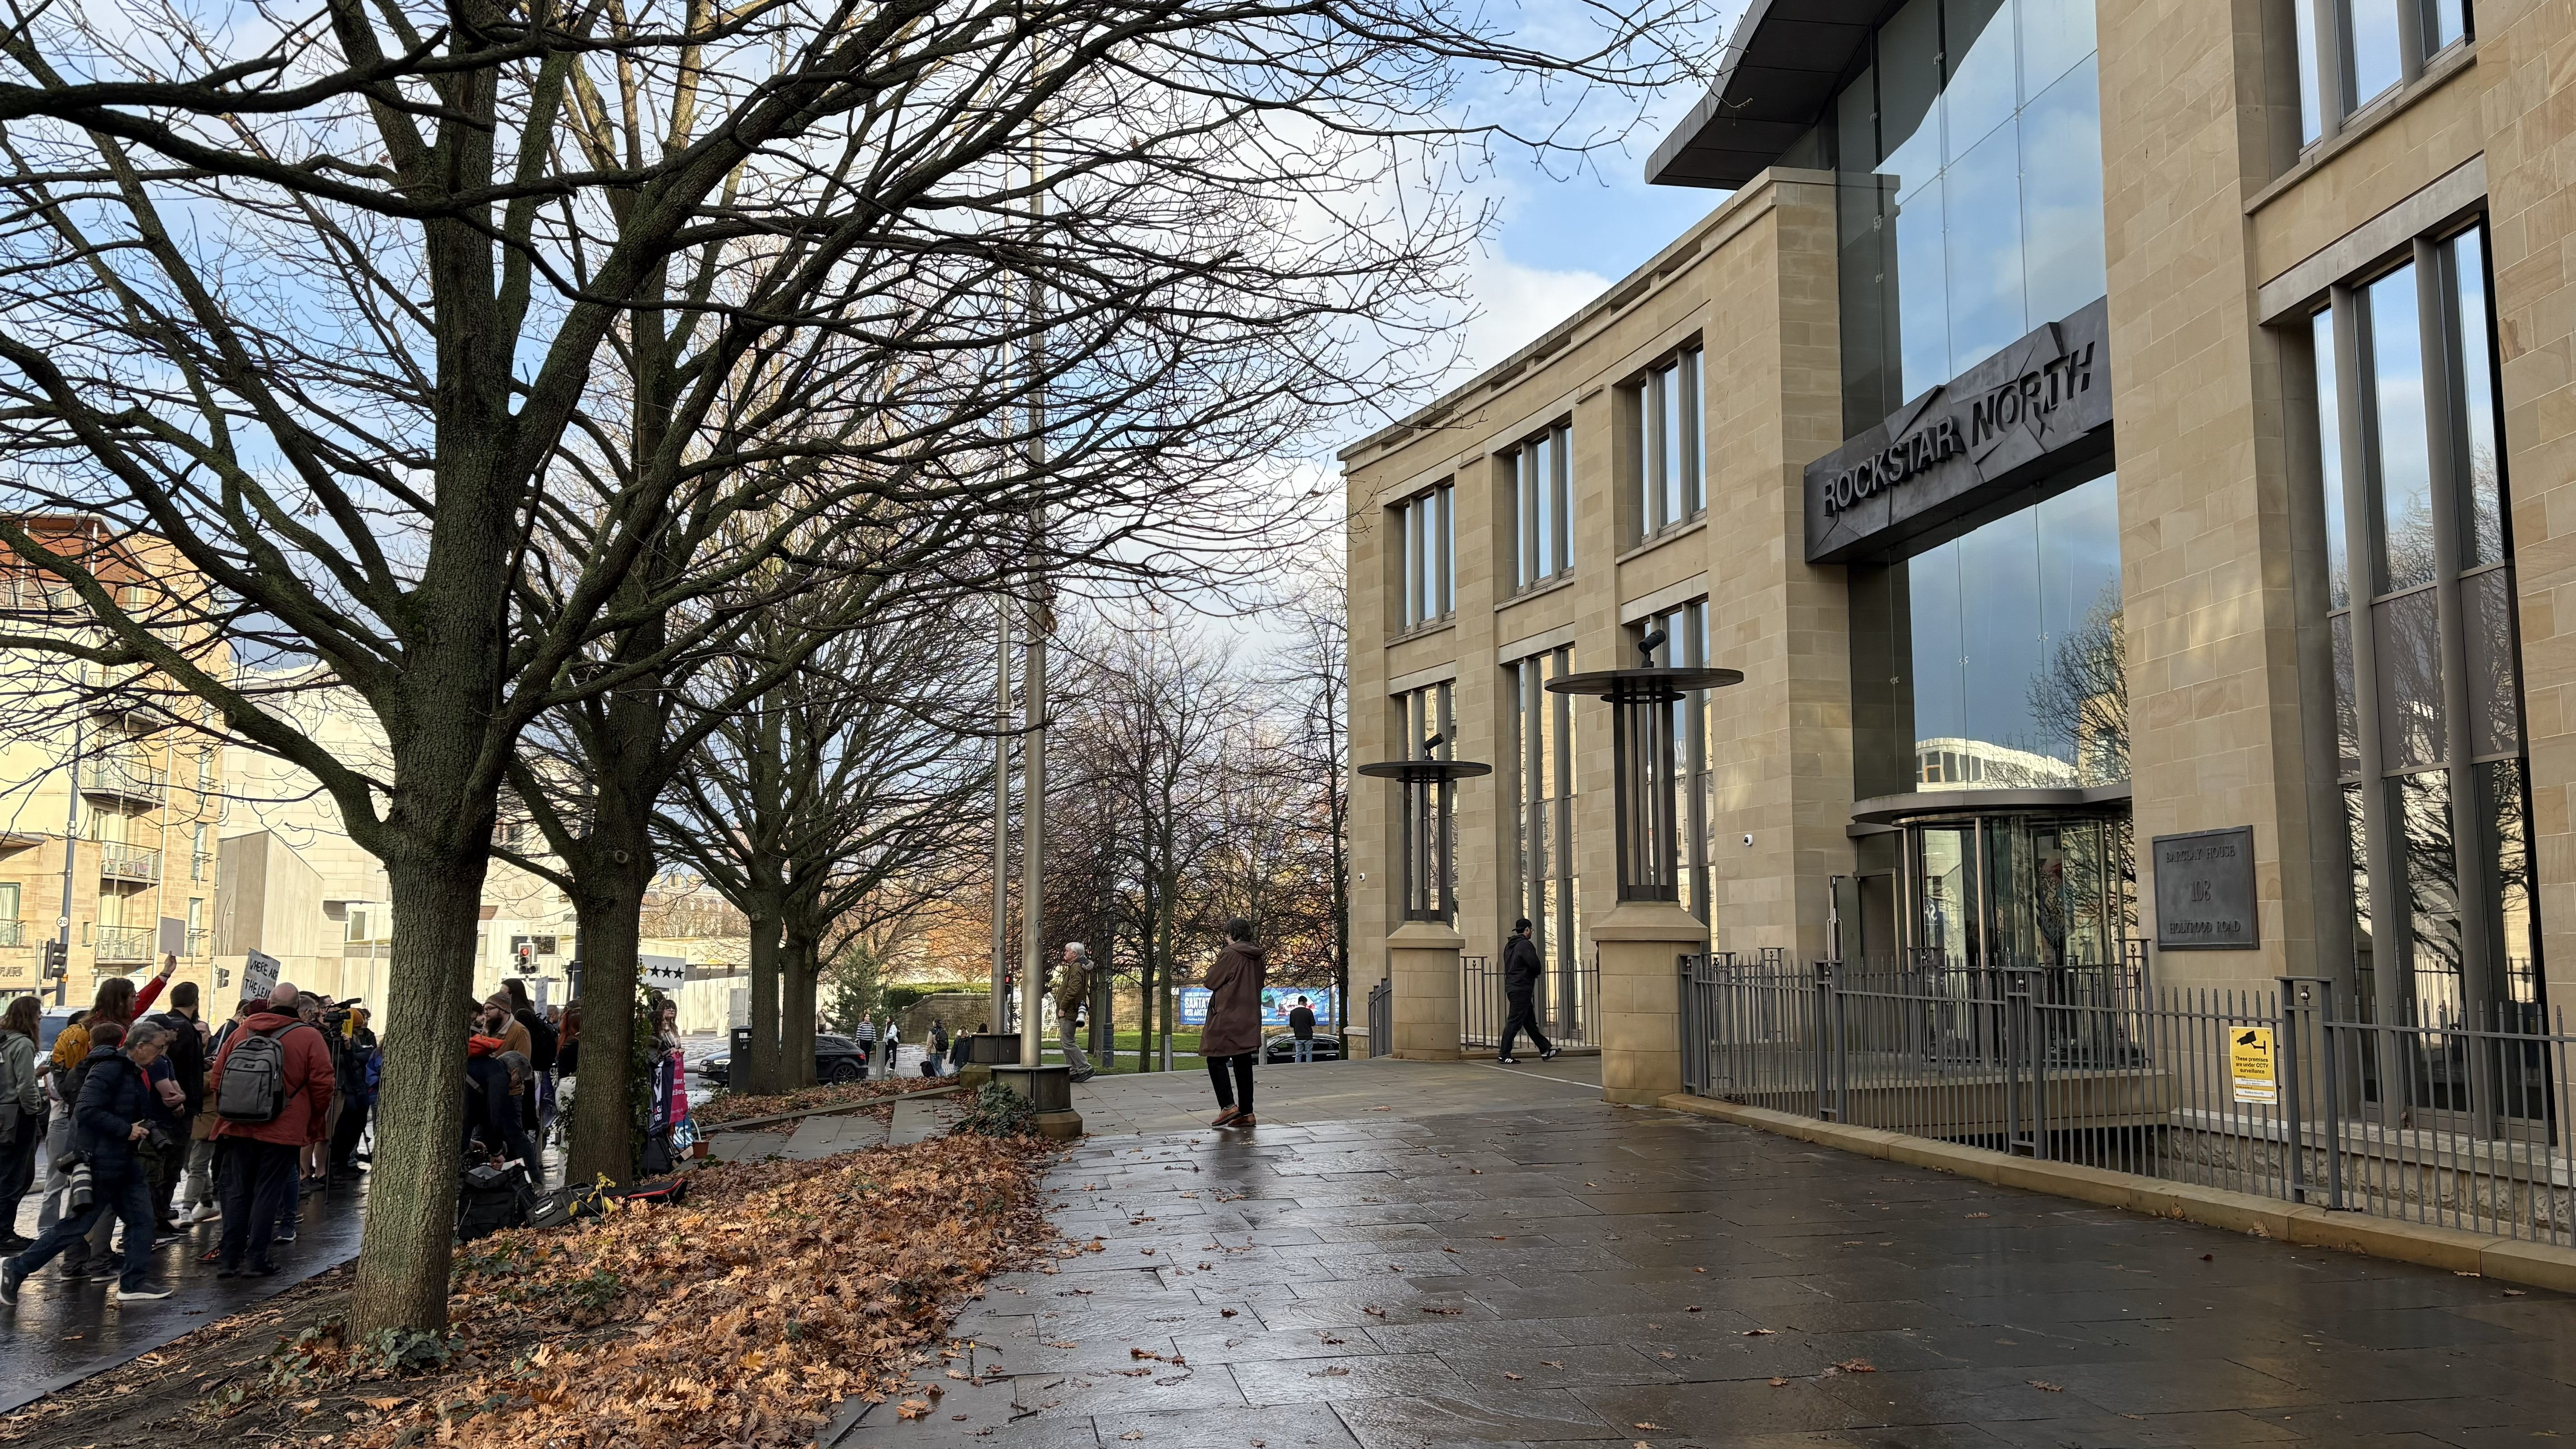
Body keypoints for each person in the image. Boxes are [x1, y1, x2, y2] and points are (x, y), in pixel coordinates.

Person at [0, 1019, 177, 1303]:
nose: (163, 1052)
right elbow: (86, 1110)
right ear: (141, 1046)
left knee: (142, 1221)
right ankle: (16, 1268)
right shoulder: (109, 1069)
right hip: (102, 1162)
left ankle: (133, 1283)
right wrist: (126, 1129)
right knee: (77, 1226)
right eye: (159, 1047)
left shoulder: (130, 1070)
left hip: (122, 1161)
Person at [206, 982, 333, 1279]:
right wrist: (313, 1120)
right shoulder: (309, 1036)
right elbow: (323, 1084)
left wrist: (231, 1108)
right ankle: (257, 1258)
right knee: (268, 1192)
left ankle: (229, 1257)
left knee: (237, 1192)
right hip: (282, 1127)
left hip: (237, 1125)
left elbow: (218, 1076)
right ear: (297, 1006)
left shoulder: (242, 1031)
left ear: (270, 1002)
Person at [147, 980, 208, 1229]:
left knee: (168, 1165)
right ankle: (159, 1218)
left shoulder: (169, 1025)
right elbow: (173, 1069)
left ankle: (159, 1215)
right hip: (176, 1108)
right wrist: (179, 1099)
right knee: (169, 1166)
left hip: (167, 1106)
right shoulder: (183, 1029)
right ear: (195, 1001)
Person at [1199, 918, 1265, 1129]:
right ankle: (1247, 1113)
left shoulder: (1230, 953)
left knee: (1215, 1059)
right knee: (1243, 1063)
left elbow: (1211, 981)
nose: (1226, 937)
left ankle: (1228, 1106)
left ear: (1232, 934)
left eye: (1227, 934)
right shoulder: (1257, 956)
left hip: (1228, 1016)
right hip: (1249, 1016)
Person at [0, 996, 41, 1249]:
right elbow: (26, 1085)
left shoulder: (3, 1041)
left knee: (5, 1174)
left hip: (2, 1113)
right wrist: (33, 1110)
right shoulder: (23, 1044)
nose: (40, 1019)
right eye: (38, 1014)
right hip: (17, 1116)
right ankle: (4, 1233)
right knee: (17, 1177)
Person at [1497, 918, 1559, 1065]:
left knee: (1529, 1022)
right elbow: (1535, 965)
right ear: (1526, 930)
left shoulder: (1510, 945)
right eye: (1531, 930)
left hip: (1513, 986)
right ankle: (1504, 1054)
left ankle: (1545, 1049)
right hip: (1522, 988)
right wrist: (1535, 972)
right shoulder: (1525, 945)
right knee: (1514, 1022)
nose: (1531, 932)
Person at [328, 1006, 378, 1180]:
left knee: (356, 1126)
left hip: (358, 1086)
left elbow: (368, 1056)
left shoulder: (360, 1038)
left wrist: (353, 1051)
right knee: (342, 1129)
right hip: (345, 1087)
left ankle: (343, 1163)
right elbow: (337, 1060)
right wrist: (350, 1052)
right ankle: (334, 1165)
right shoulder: (334, 1038)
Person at [1053, 943, 1095, 1082]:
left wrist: (1063, 1008)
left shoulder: (1076, 968)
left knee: (1068, 1042)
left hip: (1070, 1011)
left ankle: (1084, 1067)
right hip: (1071, 1010)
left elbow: (1073, 989)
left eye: (1067, 951)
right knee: (1066, 1041)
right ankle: (1072, 1071)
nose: (1065, 953)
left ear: (1075, 954)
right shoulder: (1076, 966)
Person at [1288, 995, 1318, 1064]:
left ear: (1299, 1002)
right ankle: (1309, 1067)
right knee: (1309, 1053)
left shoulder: (1293, 1012)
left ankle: (1298, 1067)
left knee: (1298, 1054)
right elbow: (1313, 1023)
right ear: (1305, 1003)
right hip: (1308, 1036)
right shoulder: (1309, 1012)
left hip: (1298, 1036)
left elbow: (1291, 1025)